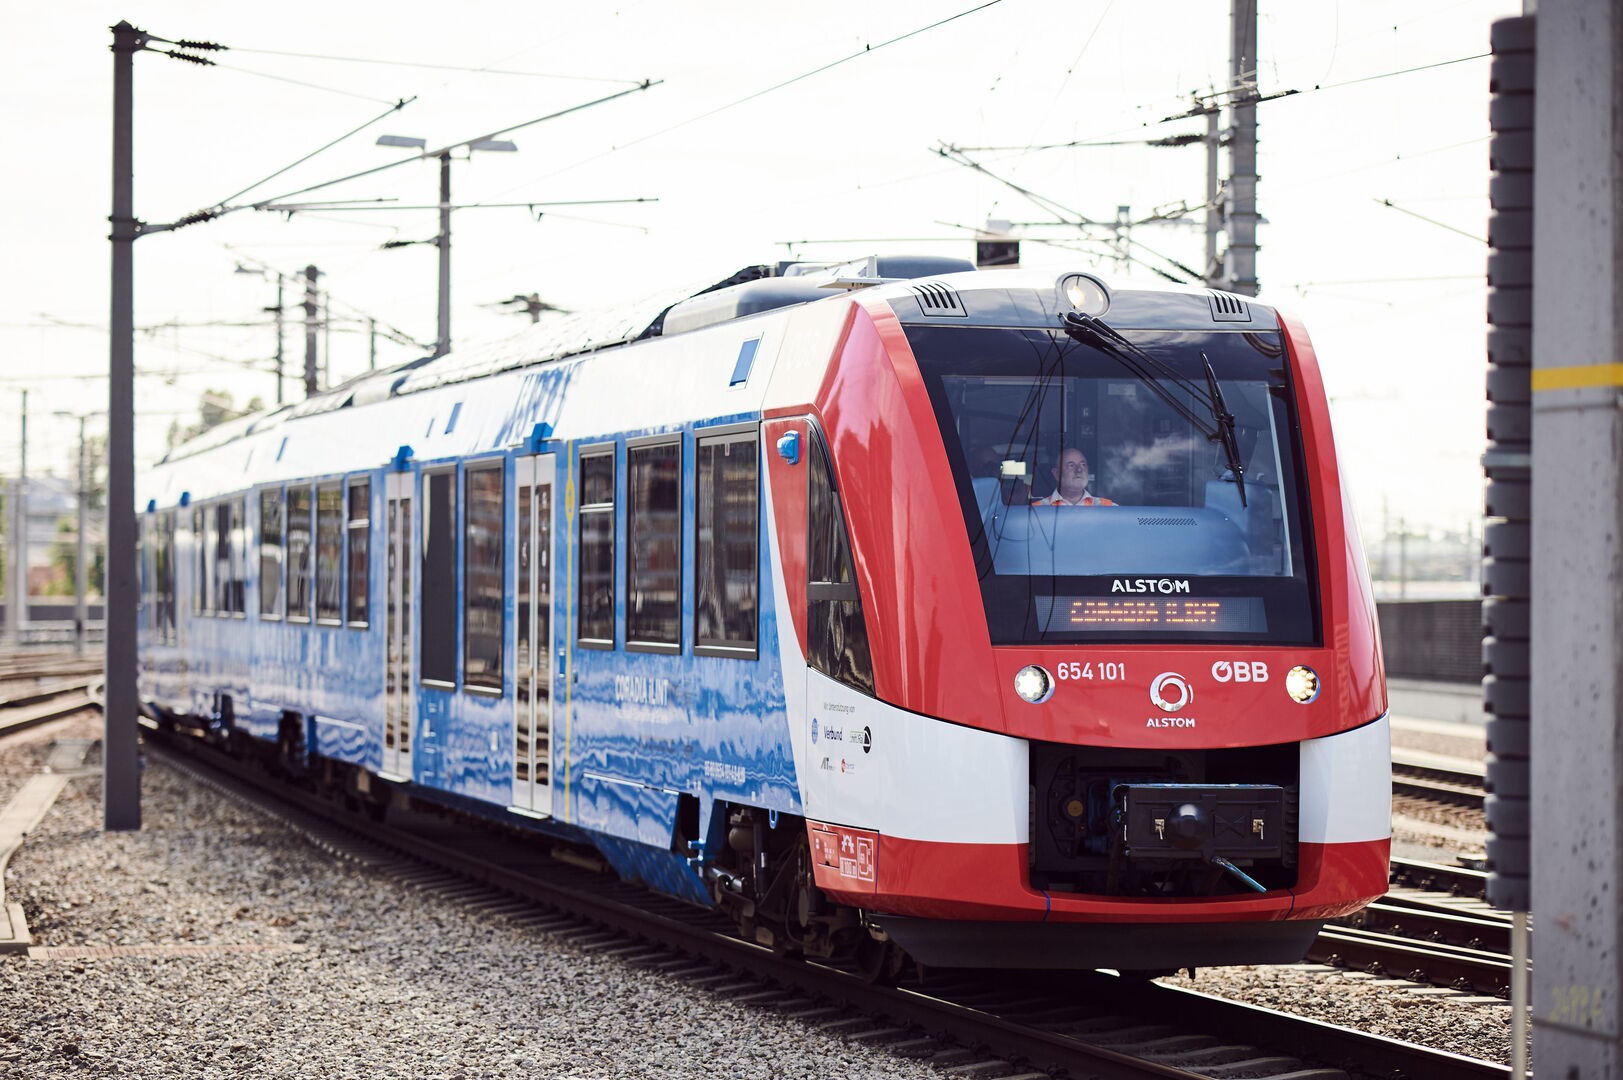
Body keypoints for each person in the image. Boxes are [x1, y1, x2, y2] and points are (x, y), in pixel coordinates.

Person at [1032, 447, 1115, 506]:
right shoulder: (1036, 510)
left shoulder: (1109, 508)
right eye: (1071, 465)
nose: (1079, 469)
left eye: (1083, 464)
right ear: (1057, 474)